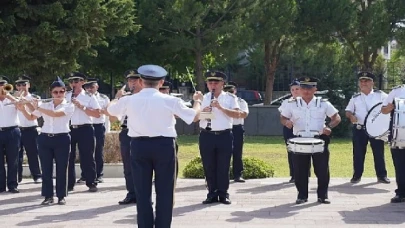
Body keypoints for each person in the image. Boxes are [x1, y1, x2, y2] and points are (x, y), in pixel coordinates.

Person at [107, 65, 202, 228]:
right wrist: (198, 101)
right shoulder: (170, 100)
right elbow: (194, 117)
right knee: (165, 191)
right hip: (163, 145)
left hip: (138, 145)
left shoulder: (129, 99)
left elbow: (110, 111)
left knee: (142, 192)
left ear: (141, 81)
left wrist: (117, 97)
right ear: (161, 81)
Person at [280, 77, 341, 204]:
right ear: (300, 89)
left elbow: (336, 117)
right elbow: (283, 117)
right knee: (300, 169)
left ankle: (322, 195)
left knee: (322, 169)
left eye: (309, 88)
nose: (306, 91)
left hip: (319, 138)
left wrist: (329, 127)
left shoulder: (323, 103)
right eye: (303, 88)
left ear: (315, 89)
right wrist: (286, 122)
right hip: (299, 139)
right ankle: (302, 195)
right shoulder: (292, 104)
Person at [16, 77, 74, 205]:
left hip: (62, 138)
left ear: (65, 92)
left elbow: (55, 114)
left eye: (61, 92)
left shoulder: (69, 105)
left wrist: (37, 106)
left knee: (61, 168)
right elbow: (31, 117)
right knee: (46, 169)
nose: (58, 94)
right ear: (51, 92)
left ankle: (61, 196)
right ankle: (48, 196)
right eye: (55, 92)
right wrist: (22, 108)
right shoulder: (45, 104)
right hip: (45, 138)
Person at [199, 71, 241, 205]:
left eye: (216, 82)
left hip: (224, 135)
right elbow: (195, 117)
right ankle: (211, 193)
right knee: (208, 165)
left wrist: (220, 108)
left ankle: (223, 194)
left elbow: (237, 114)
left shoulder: (230, 98)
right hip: (207, 135)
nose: (213, 85)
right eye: (210, 82)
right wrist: (204, 112)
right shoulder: (202, 97)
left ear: (222, 84)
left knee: (223, 165)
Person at [345, 72, 390, 184]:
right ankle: (357, 175)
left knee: (379, 152)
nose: (363, 83)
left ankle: (382, 176)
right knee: (358, 153)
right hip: (360, 128)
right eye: (361, 81)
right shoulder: (355, 97)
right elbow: (348, 110)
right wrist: (351, 116)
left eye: (366, 80)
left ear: (372, 83)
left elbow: (390, 106)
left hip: (376, 129)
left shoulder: (381, 95)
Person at [108, 69, 143, 205]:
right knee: (127, 166)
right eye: (130, 81)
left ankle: (142, 194)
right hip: (126, 132)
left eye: (135, 80)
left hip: (139, 133)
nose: (132, 83)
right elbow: (112, 118)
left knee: (141, 166)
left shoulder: (144, 98)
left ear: (141, 81)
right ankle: (131, 193)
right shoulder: (125, 99)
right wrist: (117, 99)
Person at [66, 72, 101, 192]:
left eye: (76, 81)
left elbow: (97, 113)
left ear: (82, 82)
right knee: (68, 157)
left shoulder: (89, 96)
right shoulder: (66, 95)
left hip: (85, 128)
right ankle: (68, 183)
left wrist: (82, 107)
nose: (73, 84)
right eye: (71, 82)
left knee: (87, 156)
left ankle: (91, 182)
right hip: (69, 128)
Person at [15, 75, 42, 184]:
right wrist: (16, 100)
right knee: (16, 155)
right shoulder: (14, 98)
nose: (22, 87)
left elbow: (37, 112)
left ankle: (37, 175)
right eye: (19, 85)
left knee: (33, 154)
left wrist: (27, 101)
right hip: (17, 129)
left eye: (24, 84)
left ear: (29, 85)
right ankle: (17, 177)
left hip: (30, 128)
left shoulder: (35, 98)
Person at [83, 78, 110, 183]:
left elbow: (107, 112)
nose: (89, 89)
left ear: (97, 87)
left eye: (92, 87)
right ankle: (85, 174)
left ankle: (99, 174)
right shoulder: (83, 97)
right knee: (85, 152)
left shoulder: (103, 98)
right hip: (86, 126)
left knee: (98, 150)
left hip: (98, 126)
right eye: (87, 87)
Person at [382, 83, 405, 203]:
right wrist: (388, 108)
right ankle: (401, 193)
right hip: (398, 134)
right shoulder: (397, 91)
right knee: (400, 165)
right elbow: (383, 109)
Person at [223, 81, 249, 183]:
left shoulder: (241, 102)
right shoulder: (219, 102)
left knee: (237, 152)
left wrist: (231, 113)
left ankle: (238, 174)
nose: (230, 93)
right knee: (223, 153)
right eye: (227, 91)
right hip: (224, 128)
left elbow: (244, 114)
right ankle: (224, 174)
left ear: (235, 91)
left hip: (236, 128)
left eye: (231, 91)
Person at [0, 75, 21, 193]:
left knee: (13, 159)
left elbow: (21, 106)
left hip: (12, 131)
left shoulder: (13, 99)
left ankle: (12, 185)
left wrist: (9, 96)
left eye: (4, 87)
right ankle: (0, 186)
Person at [278, 79, 301, 183]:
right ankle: (293, 174)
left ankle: (304, 173)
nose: (295, 91)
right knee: (291, 151)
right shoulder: (286, 102)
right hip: (289, 129)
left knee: (303, 151)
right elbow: (282, 117)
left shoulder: (306, 101)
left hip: (302, 130)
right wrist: (286, 122)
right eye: (293, 89)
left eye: (297, 89)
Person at [159, 81, 180, 179]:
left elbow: (179, 114)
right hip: (156, 133)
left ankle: (173, 178)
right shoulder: (155, 99)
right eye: (161, 89)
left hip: (169, 133)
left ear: (168, 90)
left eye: (165, 89)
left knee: (172, 159)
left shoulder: (172, 100)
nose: (163, 91)